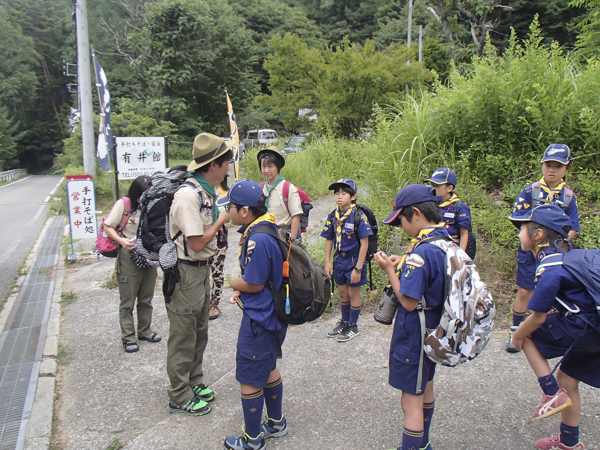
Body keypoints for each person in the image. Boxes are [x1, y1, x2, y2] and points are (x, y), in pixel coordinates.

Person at [508, 205, 600, 450]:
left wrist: (517, 335)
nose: (518, 235)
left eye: (521, 229)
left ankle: (550, 393)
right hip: (595, 329)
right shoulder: (571, 256)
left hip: (579, 326)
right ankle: (569, 442)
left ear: (538, 235)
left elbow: (537, 317)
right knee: (568, 380)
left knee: (526, 336)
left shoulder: (549, 267)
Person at [374, 184, 448, 450]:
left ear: (416, 213)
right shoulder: (441, 240)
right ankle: (423, 443)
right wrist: (403, 262)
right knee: (425, 386)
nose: (401, 227)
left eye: (401, 221)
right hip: (433, 328)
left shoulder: (421, 252)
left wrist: (389, 271)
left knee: (410, 402)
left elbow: (407, 301)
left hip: (415, 333)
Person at [217, 179, 288, 450]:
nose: (228, 212)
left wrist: (235, 284)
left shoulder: (256, 239)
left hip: (260, 320)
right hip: (273, 316)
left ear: (244, 211)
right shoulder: (269, 227)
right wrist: (244, 290)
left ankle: (252, 440)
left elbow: (255, 283)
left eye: (231, 207)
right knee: (268, 367)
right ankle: (277, 423)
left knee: (249, 377)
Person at [166, 133, 232, 416]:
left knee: (199, 333)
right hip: (185, 274)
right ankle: (179, 395)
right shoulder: (187, 195)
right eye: (226, 161)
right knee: (183, 335)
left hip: (200, 272)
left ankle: (194, 381)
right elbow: (196, 243)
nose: (229, 166)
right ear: (213, 165)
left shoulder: (206, 191)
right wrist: (221, 219)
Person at [507, 144, 580, 353]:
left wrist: (558, 241)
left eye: (558, 166)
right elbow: (519, 218)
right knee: (525, 290)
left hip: (555, 253)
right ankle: (515, 330)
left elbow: (572, 227)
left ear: (566, 169)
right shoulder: (531, 191)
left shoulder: (568, 196)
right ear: (542, 166)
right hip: (530, 250)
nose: (552, 170)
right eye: (548, 165)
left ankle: (547, 332)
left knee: (554, 292)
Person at [103, 175, 159, 353]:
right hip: (129, 255)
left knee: (146, 297)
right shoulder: (124, 204)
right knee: (128, 299)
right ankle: (128, 337)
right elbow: (107, 225)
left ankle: (145, 331)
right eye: (143, 195)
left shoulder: (153, 205)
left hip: (148, 255)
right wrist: (121, 241)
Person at [320, 178, 372, 342]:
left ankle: (353, 325)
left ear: (353, 196)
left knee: (353, 292)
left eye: (344, 193)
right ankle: (344, 321)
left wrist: (358, 268)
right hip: (339, 260)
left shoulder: (359, 216)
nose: (339, 196)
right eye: (337, 193)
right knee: (342, 293)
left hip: (354, 260)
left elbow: (365, 244)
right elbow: (329, 239)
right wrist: (328, 262)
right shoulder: (333, 216)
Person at [257, 146, 303, 239]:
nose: (266, 170)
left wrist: (291, 243)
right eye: (263, 166)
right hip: (264, 236)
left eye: (270, 166)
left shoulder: (288, 188)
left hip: (282, 237)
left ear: (278, 167)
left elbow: (296, 217)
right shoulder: (260, 187)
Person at [425, 168, 471, 254]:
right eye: (432, 185)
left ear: (449, 188)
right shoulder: (431, 205)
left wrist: (460, 256)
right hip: (431, 248)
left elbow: (464, 234)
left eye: (437, 185)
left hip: (451, 250)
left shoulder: (459, 207)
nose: (433, 188)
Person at [209, 174, 230, 320]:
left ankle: (214, 303)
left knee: (217, 271)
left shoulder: (227, 193)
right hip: (204, 237)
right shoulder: (203, 191)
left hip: (219, 238)